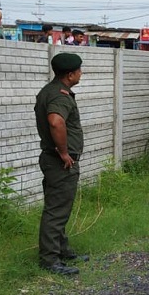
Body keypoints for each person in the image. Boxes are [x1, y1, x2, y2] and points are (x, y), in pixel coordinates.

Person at [34, 52, 88, 276]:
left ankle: (62, 249)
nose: (80, 73)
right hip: (60, 163)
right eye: (79, 70)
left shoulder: (50, 90)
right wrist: (64, 153)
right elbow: (56, 122)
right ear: (70, 74)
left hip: (54, 161)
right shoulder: (60, 96)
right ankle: (50, 259)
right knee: (56, 211)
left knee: (59, 208)